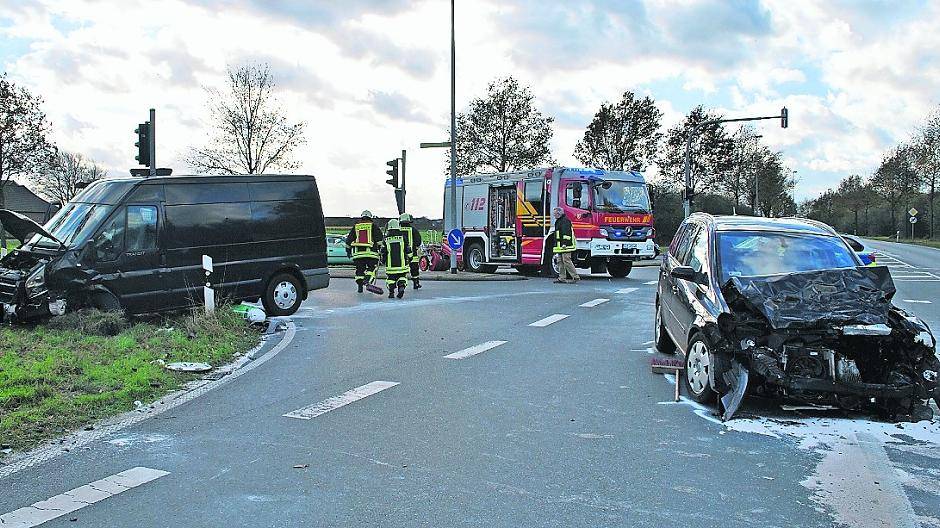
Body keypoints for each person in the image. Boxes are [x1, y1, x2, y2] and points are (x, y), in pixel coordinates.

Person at [346, 210, 384, 294]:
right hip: (371, 253)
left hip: (358, 254)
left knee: (359, 270)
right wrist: (381, 250)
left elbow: (349, 240)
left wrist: (348, 251)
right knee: (371, 268)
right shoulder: (373, 226)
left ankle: (360, 286)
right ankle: (366, 280)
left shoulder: (356, 226)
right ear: (370, 217)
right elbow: (379, 240)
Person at [383, 219, 412, 299]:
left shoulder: (386, 239)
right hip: (402, 265)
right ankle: (401, 287)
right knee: (402, 277)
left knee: (390, 279)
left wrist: (383, 260)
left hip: (390, 266)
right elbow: (408, 249)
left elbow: (384, 252)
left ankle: (391, 292)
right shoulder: (403, 237)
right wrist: (410, 257)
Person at [552, 207, 579, 283]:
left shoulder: (565, 221)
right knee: (560, 261)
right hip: (560, 245)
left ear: (559, 213)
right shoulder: (559, 221)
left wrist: (565, 243)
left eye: (555, 214)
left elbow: (566, 233)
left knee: (566, 260)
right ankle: (562, 277)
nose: (554, 216)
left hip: (565, 245)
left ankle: (575, 277)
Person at [398, 213, 423, 289]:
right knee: (414, 270)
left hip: (400, 255)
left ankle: (400, 285)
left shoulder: (398, 230)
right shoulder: (413, 230)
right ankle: (416, 283)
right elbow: (418, 241)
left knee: (401, 271)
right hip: (413, 255)